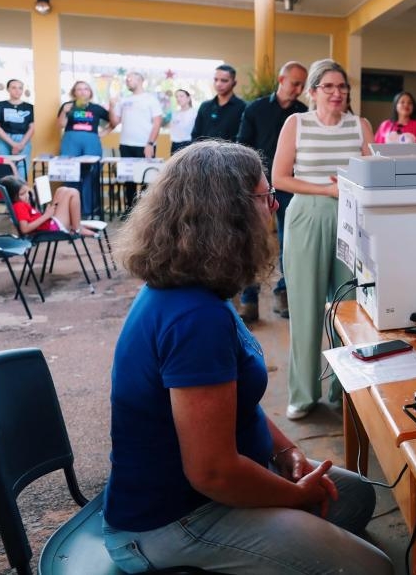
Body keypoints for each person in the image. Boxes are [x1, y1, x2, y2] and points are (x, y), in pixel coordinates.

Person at [100, 142, 390, 574]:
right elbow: (212, 473)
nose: (273, 206)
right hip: (176, 520)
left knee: (356, 495)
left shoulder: (200, 290)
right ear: (228, 214)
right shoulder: (194, 318)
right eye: (264, 196)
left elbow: (234, 406)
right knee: (372, 567)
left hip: (217, 488)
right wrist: (293, 495)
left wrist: (288, 453)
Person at [272, 59, 374, 420]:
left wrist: (349, 186)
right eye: (328, 87)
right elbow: (280, 178)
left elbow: (372, 173)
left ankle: (342, 388)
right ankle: (303, 393)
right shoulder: (296, 123)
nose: (336, 93)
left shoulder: (359, 125)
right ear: (312, 91)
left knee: (348, 306)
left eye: (342, 87)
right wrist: (326, 189)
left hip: (351, 218)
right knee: (305, 307)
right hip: (307, 216)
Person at [236, 61, 308, 322]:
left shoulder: (303, 115)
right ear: (281, 80)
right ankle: (248, 300)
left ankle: (283, 292)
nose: (298, 89)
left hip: (289, 186)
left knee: (289, 243)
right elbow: (242, 146)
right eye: (294, 83)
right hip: (256, 186)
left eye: (302, 85)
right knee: (252, 241)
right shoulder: (255, 109)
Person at [57, 80, 112, 217]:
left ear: (90, 92)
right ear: (74, 92)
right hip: (70, 142)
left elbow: (114, 121)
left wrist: (104, 133)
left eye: (86, 89)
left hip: (91, 142)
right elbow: (60, 124)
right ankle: (69, 210)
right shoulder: (67, 106)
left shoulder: (96, 108)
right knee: (70, 174)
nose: (82, 91)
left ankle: (89, 211)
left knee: (91, 175)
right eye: (79, 89)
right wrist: (64, 112)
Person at [111, 72, 162, 212]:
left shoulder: (150, 99)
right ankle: (130, 211)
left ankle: (145, 212)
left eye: (130, 78)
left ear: (140, 80)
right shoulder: (123, 100)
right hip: (126, 145)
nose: (127, 81)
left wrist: (150, 144)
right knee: (129, 180)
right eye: (126, 79)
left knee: (147, 180)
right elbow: (115, 121)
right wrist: (111, 105)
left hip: (145, 146)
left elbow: (157, 123)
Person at [0, 175, 98, 238]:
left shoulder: (22, 203)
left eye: (26, 192)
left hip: (51, 223)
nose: (27, 196)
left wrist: (46, 214)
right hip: (53, 227)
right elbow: (25, 229)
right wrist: (46, 216)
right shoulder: (19, 206)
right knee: (73, 192)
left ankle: (76, 225)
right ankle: (77, 229)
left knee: (61, 190)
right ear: (12, 196)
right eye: (22, 194)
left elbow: (32, 218)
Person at [0, 78, 34, 177]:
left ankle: (20, 192)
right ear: (8, 89)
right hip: (3, 139)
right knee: (4, 168)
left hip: (23, 139)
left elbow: (32, 127)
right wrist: (13, 144)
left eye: (20, 88)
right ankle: (4, 192)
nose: (17, 90)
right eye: (14, 88)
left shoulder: (30, 107)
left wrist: (21, 144)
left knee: (22, 169)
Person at [192, 64, 246, 142]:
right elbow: (196, 134)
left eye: (224, 80)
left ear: (234, 83)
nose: (218, 84)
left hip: (231, 153)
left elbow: (244, 138)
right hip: (205, 153)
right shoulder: (205, 106)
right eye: (216, 80)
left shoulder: (243, 107)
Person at [169, 88, 195, 154]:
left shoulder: (194, 113)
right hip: (175, 145)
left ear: (188, 98)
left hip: (188, 145)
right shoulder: (175, 114)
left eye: (181, 96)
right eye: (176, 97)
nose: (178, 99)